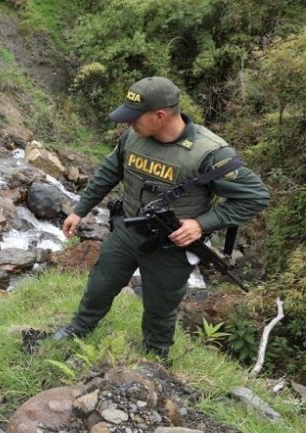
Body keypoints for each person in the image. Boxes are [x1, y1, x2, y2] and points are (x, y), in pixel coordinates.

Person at [51, 76, 270, 359]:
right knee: (100, 284)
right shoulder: (132, 138)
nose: (127, 124)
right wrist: (80, 211)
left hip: (171, 245)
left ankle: (156, 356)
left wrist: (201, 224)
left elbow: (255, 197)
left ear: (160, 115)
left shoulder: (210, 153)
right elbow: (108, 173)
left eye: (134, 118)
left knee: (160, 306)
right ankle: (79, 327)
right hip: (127, 229)